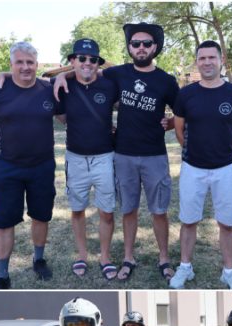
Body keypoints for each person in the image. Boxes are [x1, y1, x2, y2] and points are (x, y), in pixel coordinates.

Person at [54, 23, 180, 283]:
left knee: (159, 210)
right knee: (129, 210)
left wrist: (170, 124)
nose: (141, 48)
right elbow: (83, 72)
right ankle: (128, 257)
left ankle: (164, 258)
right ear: (129, 47)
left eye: (146, 43)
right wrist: (60, 75)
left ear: (155, 47)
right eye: (136, 43)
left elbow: (181, 111)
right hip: (122, 154)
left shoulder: (166, 81)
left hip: (155, 154)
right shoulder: (117, 75)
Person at [0, 41, 56, 289]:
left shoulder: (47, 89)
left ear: (37, 65)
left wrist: (65, 78)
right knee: (4, 222)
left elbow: (85, 73)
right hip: (7, 168)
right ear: (11, 65)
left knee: (41, 216)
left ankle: (39, 259)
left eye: (30, 62)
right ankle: (2, 274)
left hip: (42, 166)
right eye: (19, 62)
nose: (25, 67)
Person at [170, 41, 232, 290]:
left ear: (221, 60)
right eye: (202, 58)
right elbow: (179, 130)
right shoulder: (186, 94)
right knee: (188, 220)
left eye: (211, 58)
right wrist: (195, 152)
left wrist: (224, 151)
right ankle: (185, 267)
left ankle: (229, 272)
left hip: (225, 168)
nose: (206, 62)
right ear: (197, 61)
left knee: (227, 223)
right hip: (193, 167)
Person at [52, 39, 119, 280]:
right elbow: (61, 116)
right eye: (81, 58)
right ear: (72, 61)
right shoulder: (60, 86)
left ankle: (105, 257)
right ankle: (81, 255)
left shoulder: (110, 86)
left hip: (104, 157)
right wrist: (63, 76)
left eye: (92, 60)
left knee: (107, 212)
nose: (87, 63)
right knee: (77, 209)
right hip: (76, 158)